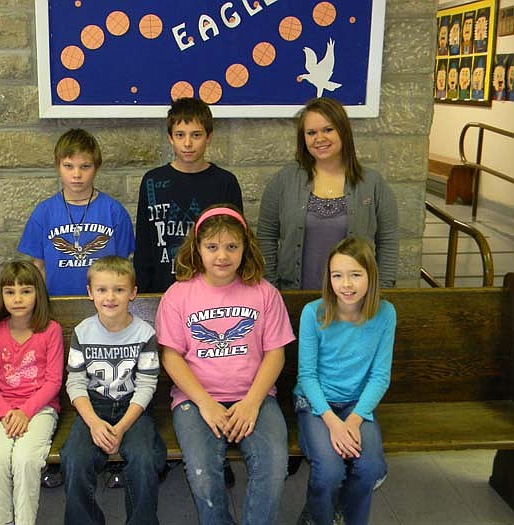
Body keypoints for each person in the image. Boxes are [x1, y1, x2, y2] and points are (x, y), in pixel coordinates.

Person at [156, 205, 295, 524]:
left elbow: (276, 353)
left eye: (232, 246)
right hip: (196, 399)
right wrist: (205, 404)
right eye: (212, 247)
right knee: (204, 473)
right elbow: (171, 356)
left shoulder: (264, 293)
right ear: (197, 249)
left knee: (274, 465)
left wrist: (251, 403)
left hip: (254, 396)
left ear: (245, 248)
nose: (222, 256)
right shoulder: (178, 295)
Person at [294, 237, 395, 525]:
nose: (346, 284)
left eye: (355, 275)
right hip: (316, 403)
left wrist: (352, 421)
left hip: (356, 404)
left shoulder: (385, 314)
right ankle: (319, 517)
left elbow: (379, 376)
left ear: (370, 276)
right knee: (329, 470)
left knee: (372, 467)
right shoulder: (314, 313)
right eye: (337, 275)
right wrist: (333, 423)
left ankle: (344, 513)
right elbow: (307, 376)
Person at [61, 256, 166, 525]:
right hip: (93, 409)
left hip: (133, 410)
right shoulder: (83, 332)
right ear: (90, 293)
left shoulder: (144, 333)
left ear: (133, 293)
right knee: (74, 459)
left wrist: (120, 428)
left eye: (119, 289)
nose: (110, 297)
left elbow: (146, 385)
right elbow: (74, 382)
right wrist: (94, 423)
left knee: (145, 459)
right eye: (102, 289)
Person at [257, 97, 398, 291]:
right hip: (295, 298)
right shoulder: (284, 180)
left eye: (328, 130)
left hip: (355, 303)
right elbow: (266, 236)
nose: (319, 138)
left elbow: (388, 241)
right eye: (311, 132)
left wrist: (380, 291)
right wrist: (272, 287)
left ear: (344, 131)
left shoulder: (372, 183)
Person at [0, 261, 64, 524]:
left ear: (38, 293)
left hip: (40, 409)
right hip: (2, 411)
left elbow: (53, 381)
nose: (17, 299)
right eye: (10, 292)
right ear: (1, 296)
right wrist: (6, 414)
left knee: (26, 459)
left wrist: (25, 412)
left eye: (26, 291)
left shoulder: (51, 330)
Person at [134, 97, 244, 294]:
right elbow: (144, 247)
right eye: (180, 135)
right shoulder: (151, 181)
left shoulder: (225, 182)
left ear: (209, 137)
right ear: (170, 137)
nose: (187, 143)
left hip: (212, 292)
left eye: (196, 135)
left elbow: (237, 243)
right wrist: (144, 294)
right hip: (162, 290)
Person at [18, 128, 135, 296]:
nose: (76, 174)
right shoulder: (44, 213)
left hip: (104, 306)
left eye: (85, 166)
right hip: (56, 304)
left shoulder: (114, 212)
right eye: (68, 166)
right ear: (57, 166)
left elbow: (123, 268)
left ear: (96, 167)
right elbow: (39, 268)